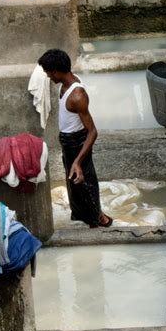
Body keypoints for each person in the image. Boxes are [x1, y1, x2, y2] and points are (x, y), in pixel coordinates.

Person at [38, 49, 112, 228]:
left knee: (85, 184)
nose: (48, 77)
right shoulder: (66, 82)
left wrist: (78, 161)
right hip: (68, 142)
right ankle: (89, 217)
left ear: (56, 71)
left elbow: (93, 131)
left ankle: (99, 220)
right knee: (76, 185)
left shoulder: (77, 96)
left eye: (48, 73)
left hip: (78, 144)